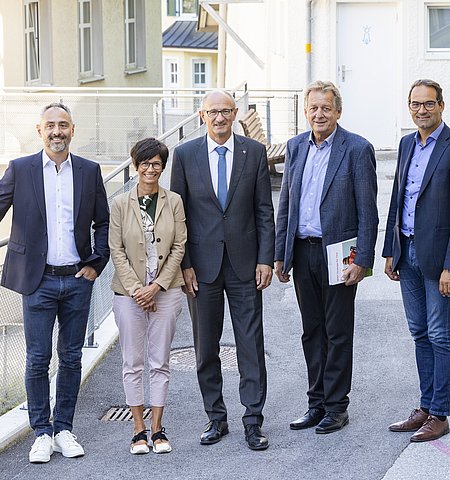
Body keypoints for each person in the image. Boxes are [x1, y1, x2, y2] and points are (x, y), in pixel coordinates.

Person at [0, 103, 109, 462]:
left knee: (72, 358)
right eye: (51, 126)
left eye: (63, 125)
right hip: (37, 281)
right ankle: (41, 432)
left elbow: (103, 222)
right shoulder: (20, 169)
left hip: (78, 280)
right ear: (39, 130)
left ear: (73, 130)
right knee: (37, 359)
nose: (57, 131)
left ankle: (64, 428)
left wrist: (97, 262)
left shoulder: (89, 171)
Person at [170, 90, 275, 450]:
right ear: (202, 116)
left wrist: (265, 258)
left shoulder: (253, 152)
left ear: (235, 114)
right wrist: (184, 265)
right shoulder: (184, 155)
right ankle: (216, 418)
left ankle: (252, 420)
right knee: (205, 348)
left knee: (250, 343)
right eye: (213, 112)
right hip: (202, 267)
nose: (219, 118)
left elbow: (264, 210)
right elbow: (176, 217)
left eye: (226, 111)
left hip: (246, 264)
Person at [275, 80, 378, 434]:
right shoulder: (295, 147)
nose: (319, 114)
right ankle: (315, 404)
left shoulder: (357, 149)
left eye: (326, 108)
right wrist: (280, 254)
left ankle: (336, 407)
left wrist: (362, 261)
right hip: (303, 252)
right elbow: (286, 203)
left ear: (338, 111)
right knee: (311, 331)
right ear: (306, 111)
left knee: (337, 333)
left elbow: (368, 211)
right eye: (313, 108)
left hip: (339, 255)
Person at [383, 79, 450, 442]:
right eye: (415, 104)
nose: (421, 110)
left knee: (440, 335)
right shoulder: (408, 143)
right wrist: (390, 250)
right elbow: (398, 199)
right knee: (419, 333)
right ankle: (425, 406)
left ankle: (440, 413)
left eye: (428, 104)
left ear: (442, 105)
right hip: (406, 253)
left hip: (440, 261)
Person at [109, 138, 186, 454]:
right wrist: (138, 290)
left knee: (160, 361)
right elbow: (116, 249)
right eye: (144, 163)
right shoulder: (120, 203)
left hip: (166, 292)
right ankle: (138, 429)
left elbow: (180, 245)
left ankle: (158, 428)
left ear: (162, 166)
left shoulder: (174, 201)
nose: (150, 168)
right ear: (135, 166)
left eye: (156, 163)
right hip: (128, 294)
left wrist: (157, 287)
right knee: (133, 361)